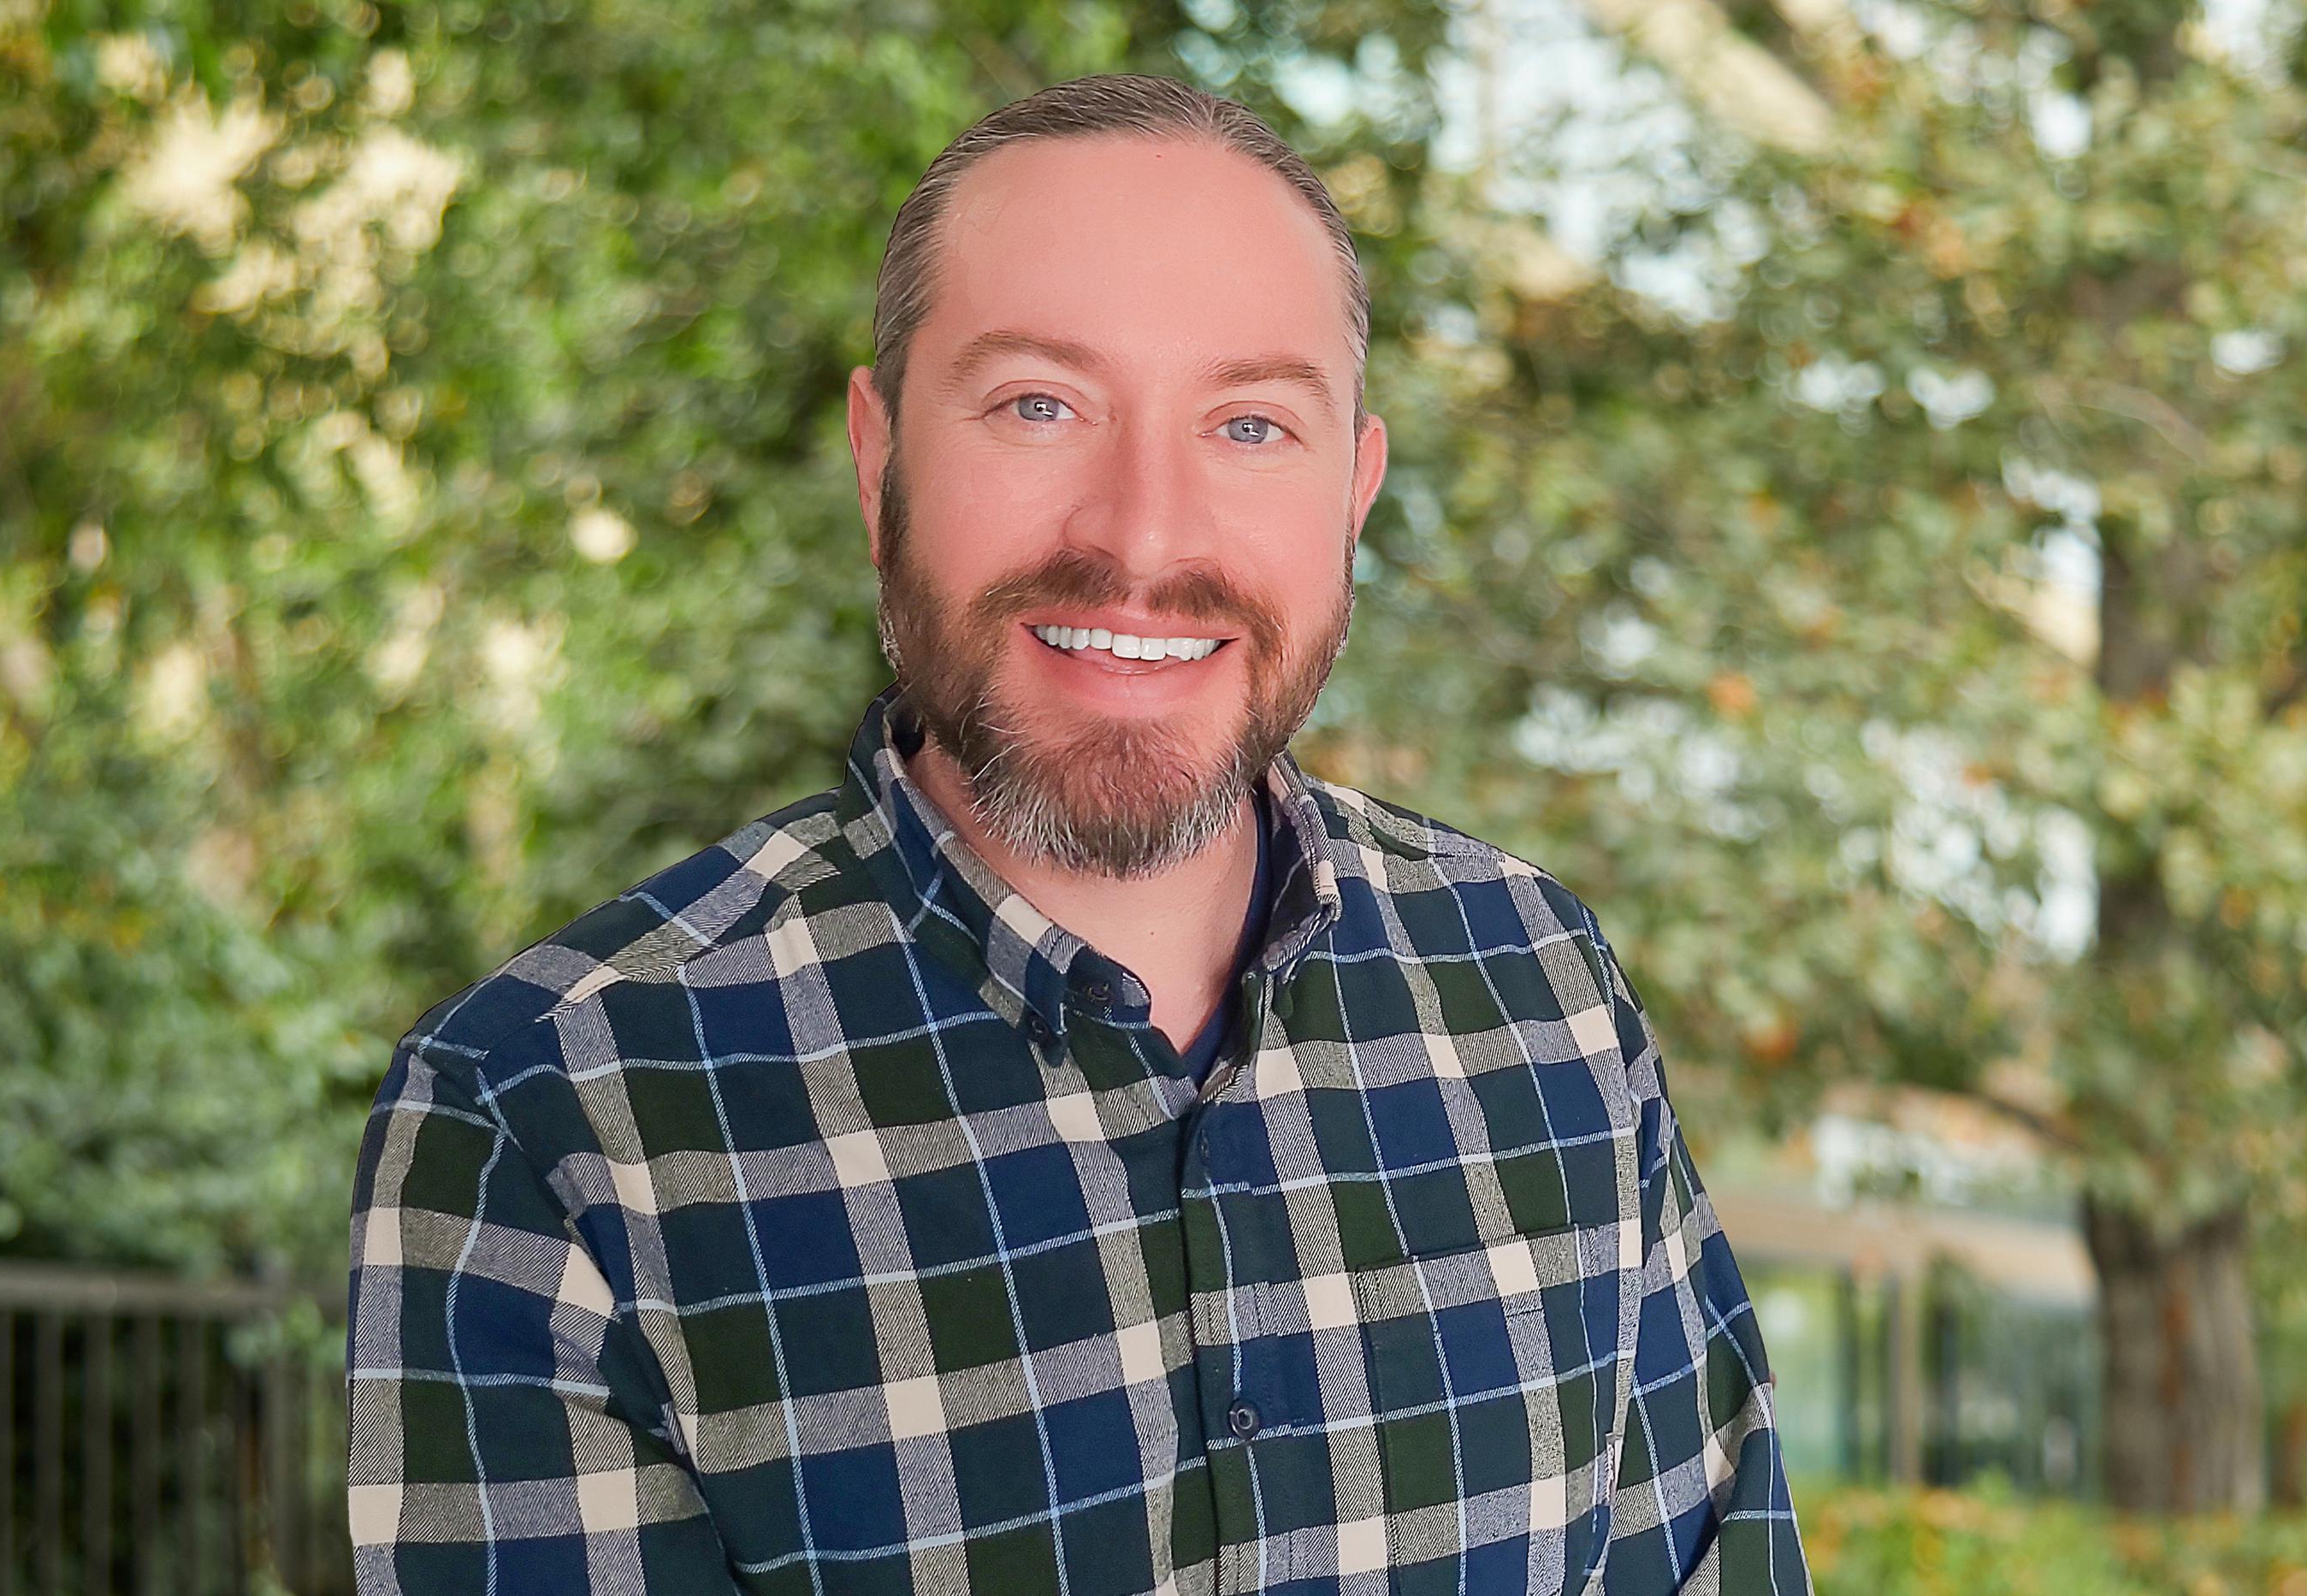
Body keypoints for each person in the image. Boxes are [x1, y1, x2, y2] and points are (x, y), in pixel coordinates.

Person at [346, 72, 1813, 1596]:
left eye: (1250, 424)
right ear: (880, 457)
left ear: (1353, 495)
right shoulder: (546, 1118)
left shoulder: (1544, 993)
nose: (1144, 535)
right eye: (1039, 404)